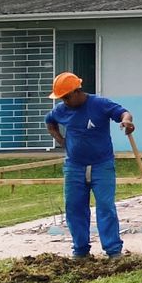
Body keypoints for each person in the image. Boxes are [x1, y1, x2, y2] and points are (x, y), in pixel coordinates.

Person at [45, 73, 134, 259]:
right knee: (74, 207)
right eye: (62, 98)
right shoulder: (61, 110)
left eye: (67, 97)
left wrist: (127, 121)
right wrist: (61, 140)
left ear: (77, 91)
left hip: (102, 165)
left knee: (105, 206)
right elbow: (50, 121)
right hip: (74, 166)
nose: (64, 102)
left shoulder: (99, 104)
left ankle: (113, 251)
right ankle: (80, 250)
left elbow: (122, 113)